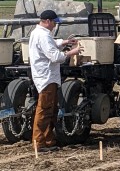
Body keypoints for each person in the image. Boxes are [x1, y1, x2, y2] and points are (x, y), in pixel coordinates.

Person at [30, 9, 82, 152]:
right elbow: (55, 56)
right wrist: (72, 52)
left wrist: (65, 42)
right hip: (47, 77)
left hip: (45, 76)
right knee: (44, 110)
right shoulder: (43, 36)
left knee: (50, 110)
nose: (54, 25)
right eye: (53, 22)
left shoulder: (38, 33)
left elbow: (51, 44)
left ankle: (48, 139)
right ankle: (39, 142)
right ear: (47, 21)